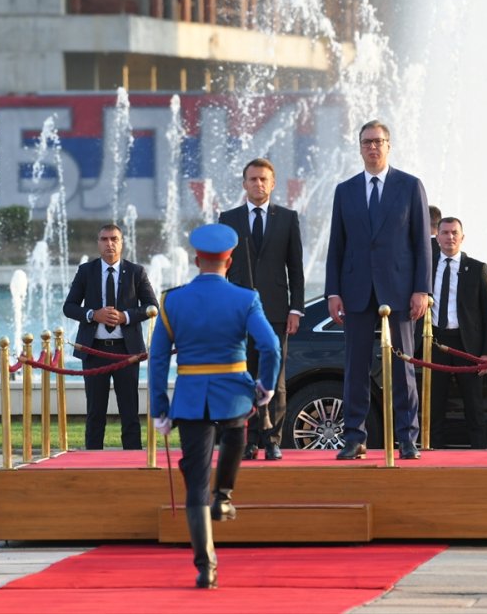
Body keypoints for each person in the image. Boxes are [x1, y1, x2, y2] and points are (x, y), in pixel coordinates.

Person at [149, 223, 280, 589]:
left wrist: (160, 407)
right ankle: (223, 495)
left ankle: (206, 567)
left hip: (190, 398)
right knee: (236, 435)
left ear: (195, 260)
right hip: (235, 394)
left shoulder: (172, 301)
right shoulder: (246, 298)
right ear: (230, 260)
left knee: (194, 484)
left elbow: (158, 359)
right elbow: (270, 347)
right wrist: (265, 386)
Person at [325, 120, 431, 460]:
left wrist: (422, 289)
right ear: (359, 147)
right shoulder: (345, 190)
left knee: (403, 366)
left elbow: (421, 244)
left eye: (379, 141)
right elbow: (336, 246)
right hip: (356, 289)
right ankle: (354, 437)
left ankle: (407, 437)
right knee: (355, 367)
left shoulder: (410, 186)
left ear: (388, 146)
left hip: (399, 289)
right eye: (367, 142)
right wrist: (333, 292)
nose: (373, 147)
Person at [218, 157, 305, 461]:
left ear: (272, 183)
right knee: (244, 376)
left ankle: (272, 439)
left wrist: (297, 309)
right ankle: (249, 439)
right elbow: (221, 268)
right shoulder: (228, 219)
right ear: (244, 184)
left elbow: (296, 269)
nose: (258, 184)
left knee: (275, 379)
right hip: (239, 312)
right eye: (253, 179)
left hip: (277, 312)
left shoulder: (288, 218)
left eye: (263, 179)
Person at [63, 223, 158, 450]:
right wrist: (92, 314)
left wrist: (125, 316)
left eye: (114, 239)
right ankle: (92, 460)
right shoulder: (87, 271)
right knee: (95, 411)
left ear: (122, 243)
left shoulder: (136, 272)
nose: (109, 244)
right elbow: (69, 307)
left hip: (127, 352)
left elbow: (152, 306)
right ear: (98, 244)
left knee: (130, 411)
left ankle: (133, 459)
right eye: (104, 239)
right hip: (94, 350)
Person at [428, 217, 487, 449]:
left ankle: (480, 453)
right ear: (436, 237)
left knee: (473, 404)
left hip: (467, 345)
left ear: (462, 237)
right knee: (434, 403)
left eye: (454, 233)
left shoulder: (477, 269)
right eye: (445, 232)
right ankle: (433, 452)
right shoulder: (426, 267)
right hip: (434, 343)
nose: (450, 237)